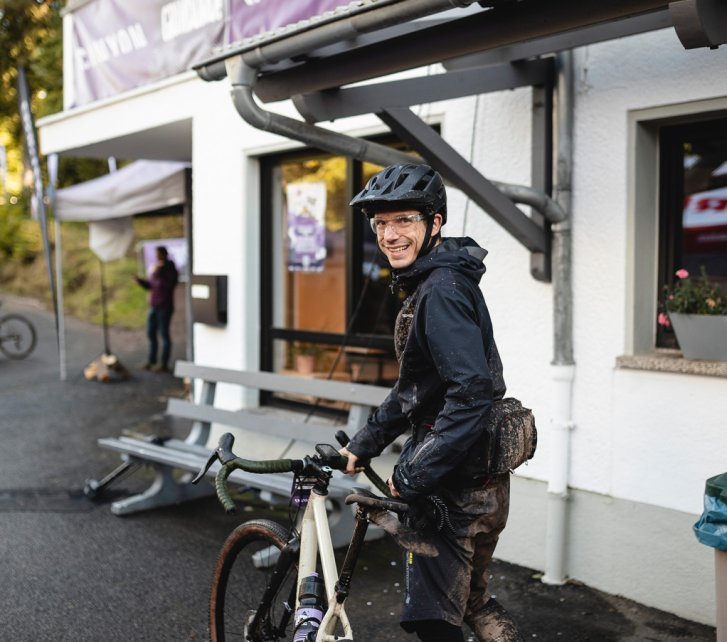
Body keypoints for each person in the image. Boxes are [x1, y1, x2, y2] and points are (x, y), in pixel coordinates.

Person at [340, 164, 522, 642]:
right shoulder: (439, 280)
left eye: (404, 220)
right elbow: (417, 388)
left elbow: (469, 394)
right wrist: (367, 442)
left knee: (434, 622)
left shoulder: (440, 290)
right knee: (474, 601)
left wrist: (412, 475)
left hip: (455, 492)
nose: (389, 234)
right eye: (380, 223)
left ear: (435, 222)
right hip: (480, 480)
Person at [134, 245, 178, 372]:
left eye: (158, 254)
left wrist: (159, 272)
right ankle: (151, 360)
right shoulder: (156, 269)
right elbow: (151, 285)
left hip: (165, 306)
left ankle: (164, 363)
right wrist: (140, 281)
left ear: (164, 254)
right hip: (153, 305)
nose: (157, 256)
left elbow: (168, 285)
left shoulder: (170, 269)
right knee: (151, 333)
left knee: (164, 334)